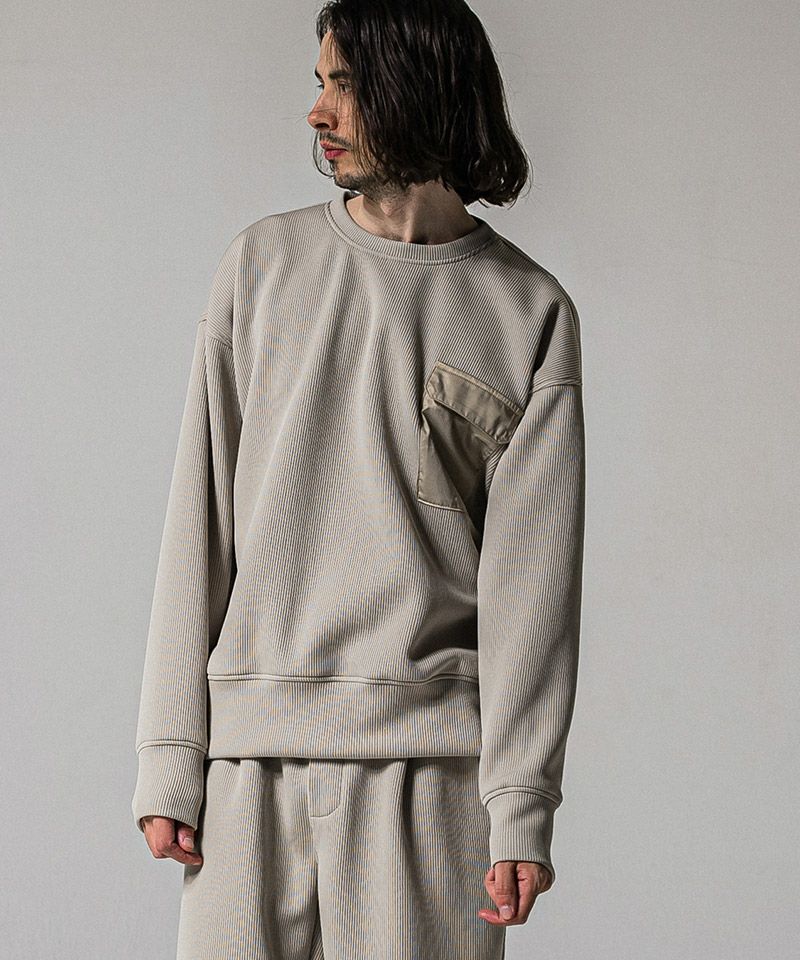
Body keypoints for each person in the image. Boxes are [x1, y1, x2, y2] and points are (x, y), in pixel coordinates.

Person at [131, 1, 586, 957]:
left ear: (419, 89)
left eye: (345, 84)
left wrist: (520, 802)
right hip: (249, 767)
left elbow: (533, 590)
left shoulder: (526, 312)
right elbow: (197, 527)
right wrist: (170, 754)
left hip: (430, 779)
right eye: (319, 83)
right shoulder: (261, 268)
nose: (317, 112)